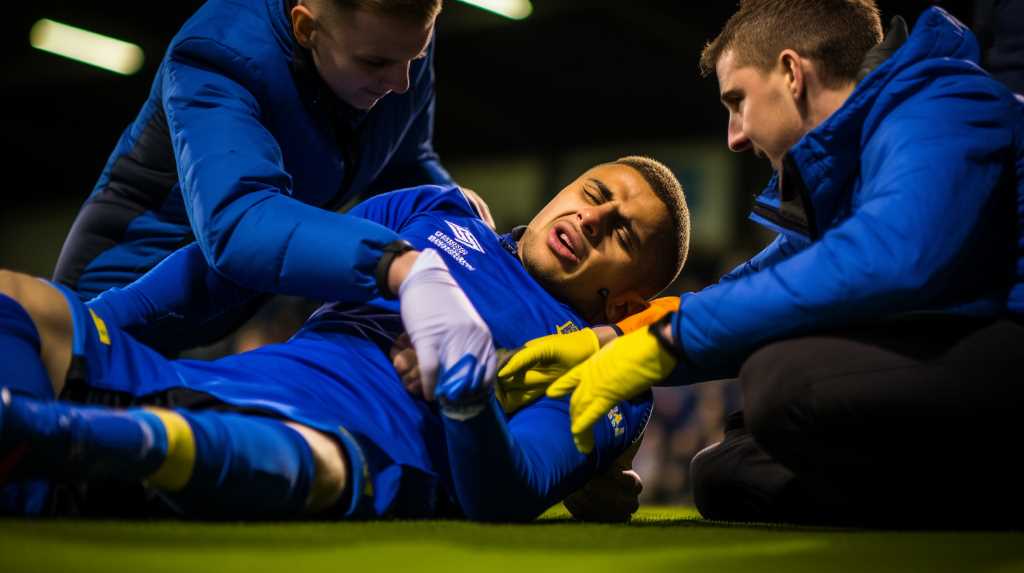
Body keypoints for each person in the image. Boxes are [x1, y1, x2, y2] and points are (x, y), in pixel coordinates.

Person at [500, 1, 1024, 526]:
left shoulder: (941, 103)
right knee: (727, 473)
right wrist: (606, 341)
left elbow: (892, 254)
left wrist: (662, 345)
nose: (735, 136)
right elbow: (749, 291)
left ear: (793, 74)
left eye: (737, 100)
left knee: (786, 384)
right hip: (972, 363)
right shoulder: (848, 175)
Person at [0, 156, 690, 521]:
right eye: (594, 190)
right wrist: (96, 319)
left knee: (315, 463)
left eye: (622, 230)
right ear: (562, 189)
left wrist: (464, 389)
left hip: (350, 446)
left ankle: (44, 439)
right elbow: (245, 267)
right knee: (22, 298)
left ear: (629, 297)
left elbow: (507, 494)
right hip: (221, 382)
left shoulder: (609, 365)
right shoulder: (434, 209)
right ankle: (50, 461)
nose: (594, 217)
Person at [52, 0, 482, 355]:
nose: (401, 83)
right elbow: (240, 221)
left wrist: (460, 222)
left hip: (227, 309)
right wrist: (394, 263)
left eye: (417, 58)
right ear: (305, 27)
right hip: (118, 298)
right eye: (376, 63)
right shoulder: (216, 54)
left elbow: (404, 165)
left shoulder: (392, 41)